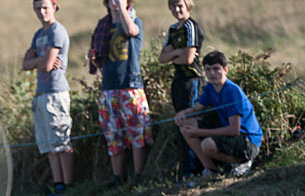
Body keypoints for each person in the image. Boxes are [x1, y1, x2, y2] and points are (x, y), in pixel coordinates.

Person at [174, 50, 263, 178]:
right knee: (186, 124)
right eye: (208, 70)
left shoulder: (232, 91)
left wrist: (199, 133)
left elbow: (234, 130)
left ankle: (243, 162)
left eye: (216, 69)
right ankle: (211, 170)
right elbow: (197, 108)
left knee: (207, 145)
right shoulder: (211, 87)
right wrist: (181, 114)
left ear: (225, 69)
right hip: (231, 135)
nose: (212, 74)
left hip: (247, 140)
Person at [91, 0, 152, 186]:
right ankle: (118, 176)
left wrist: (122, 9)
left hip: (130, 85)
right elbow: (98, 57)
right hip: (109, 87)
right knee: (113, 135)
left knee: (137, 132)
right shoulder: (103, 26)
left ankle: (138, 175)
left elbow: (131, 31)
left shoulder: (134, 21)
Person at [22, 0, 74, 196]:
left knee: (61, 140)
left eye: (45, 7)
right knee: (49, 144)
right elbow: (27, 63)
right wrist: (38, 61)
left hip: (55, 91)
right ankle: (58, 183)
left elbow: (48, 63)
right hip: (41, 91)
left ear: (54, 7)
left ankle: (69, 184)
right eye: (37, 8)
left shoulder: (56, 31)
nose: (41, 12)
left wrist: (39, 61)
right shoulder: (39, 35)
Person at [158, 0, 206, 177]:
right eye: (173, 6)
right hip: (178, 80)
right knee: (180, 122)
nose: (176, 10)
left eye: (180, 6)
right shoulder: (172, 29)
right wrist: (177, 53)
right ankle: (186, 168)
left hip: (192, 79)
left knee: (190, 121)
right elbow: (162, 58)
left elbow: (188, 58)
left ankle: (198, 167)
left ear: (188, 6)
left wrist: (174, 54)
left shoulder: (190, 26)